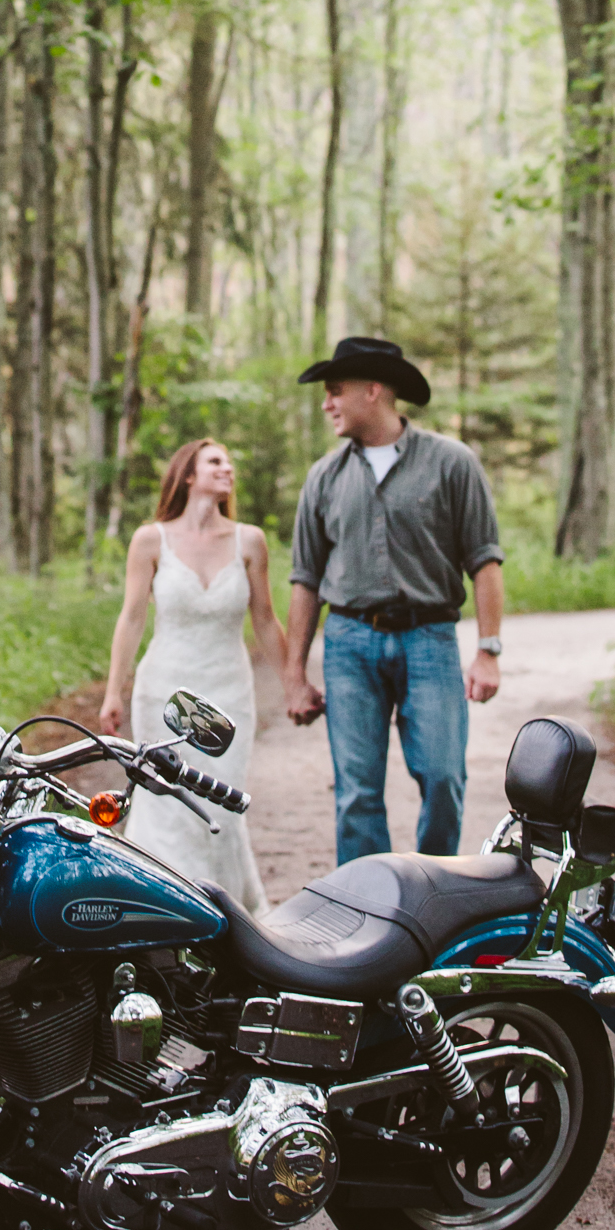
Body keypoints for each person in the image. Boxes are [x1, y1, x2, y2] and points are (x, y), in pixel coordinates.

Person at [281, 335, 505, 866]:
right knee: (356, 791)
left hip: (429, 639)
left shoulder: (452, 463)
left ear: (373, 391)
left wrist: (489, 650)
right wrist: (294, 674)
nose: (326, 403)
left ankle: (437, 893)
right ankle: (366, 912)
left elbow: (485, 561)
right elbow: (305, 579)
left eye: (335, 391)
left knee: (444, 777)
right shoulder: (324, 476)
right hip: (350, 644)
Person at [100, 438, 286, 914]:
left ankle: (225, 915)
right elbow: (132, 618)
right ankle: (156, 907)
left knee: (220, 802)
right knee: (163, 797)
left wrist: (295, 683)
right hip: (164, 689)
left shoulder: (250, 541)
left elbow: (265, 618)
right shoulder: (150, 540)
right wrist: (113, 691)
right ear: (188, 474)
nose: (228, 467)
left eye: (229, 460)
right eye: (216, 461)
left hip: (228, 691)